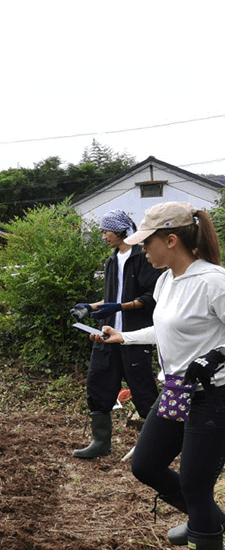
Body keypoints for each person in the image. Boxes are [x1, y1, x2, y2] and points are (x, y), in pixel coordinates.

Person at [92, 201, 225, 549]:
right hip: (176, 391)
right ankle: (205, 518)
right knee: (145, 464)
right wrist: (125, 337)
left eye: (146, 241)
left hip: (212, 398)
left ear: (170, 241)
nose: (141, 248)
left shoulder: (214, 282)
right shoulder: (167, 281)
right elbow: (163, 328)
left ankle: (204, 529)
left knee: (196, 483)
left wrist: (216, 358)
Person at [71, 209, 160, 459]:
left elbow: (151, 298)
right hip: (107, 335)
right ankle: (100, 443)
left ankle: (158, 445)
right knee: (97, 384)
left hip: (134, 336)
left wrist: (119, 307)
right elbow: (112, 299)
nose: (103, 236)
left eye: (106, 231)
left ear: (121, 231)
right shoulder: (112, 260)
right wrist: (90, 307)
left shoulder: (142, 257)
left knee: (142, 390)